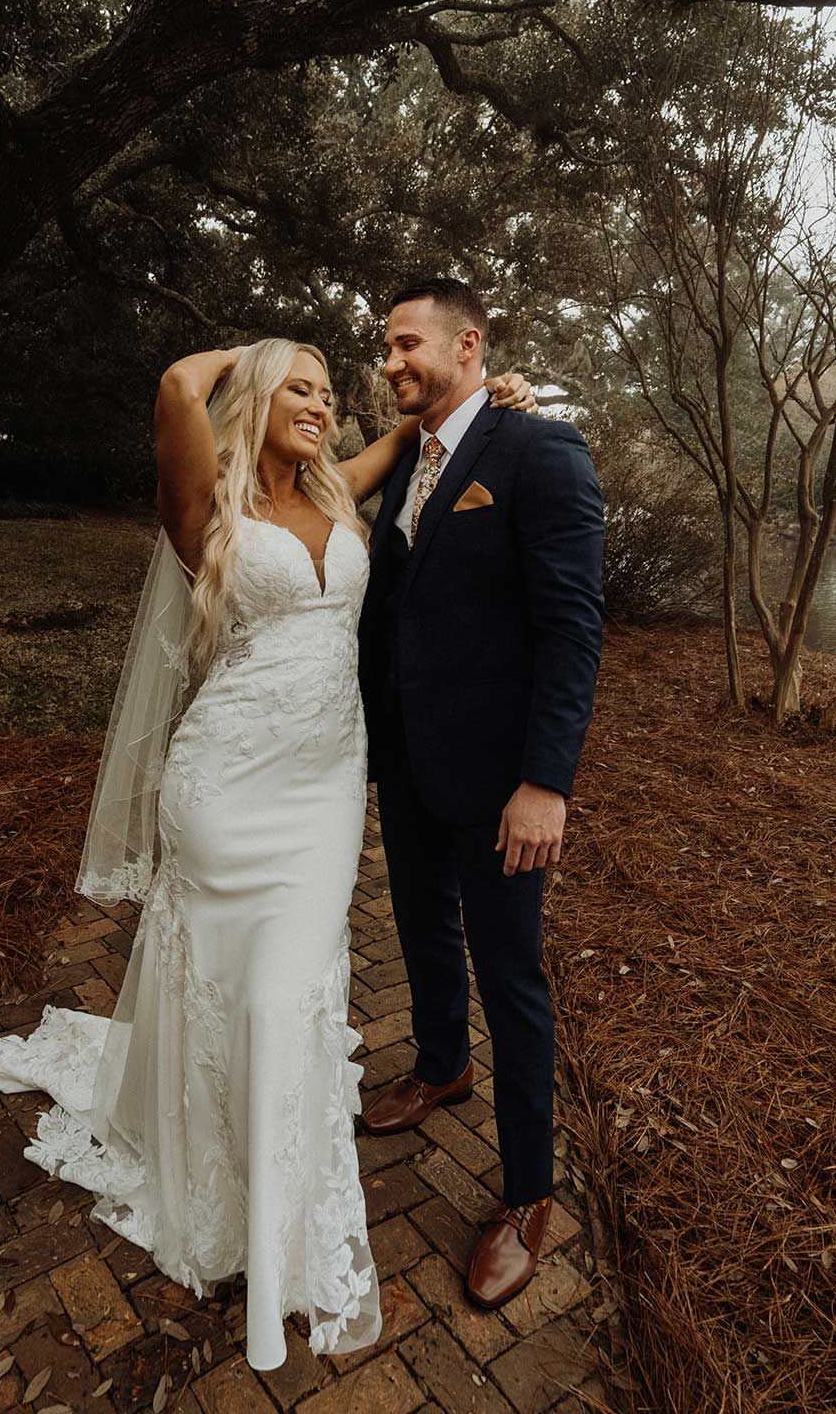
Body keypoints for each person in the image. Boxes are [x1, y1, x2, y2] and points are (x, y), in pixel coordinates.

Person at [0, 335, 536, 1370]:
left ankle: (281, 1203)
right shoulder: (205, 506)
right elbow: (178, 386)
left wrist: (473, 393)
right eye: (300, 389)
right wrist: (256, 351)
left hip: (322, 787)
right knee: (226, 983)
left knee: (286, 990)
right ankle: (216, 1169)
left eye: (329, 393)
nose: (321, 405)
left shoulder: (337, 490)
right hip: (223, 782)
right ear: (258, 396)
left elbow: (413, 429)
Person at [357, 278, 605, 1311]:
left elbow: (570, 627)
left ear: (467, 345)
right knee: (419, 923)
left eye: (406, 343)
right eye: (383, 347)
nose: (390, 362)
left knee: (512, 977)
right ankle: (440, 1064)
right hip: (407, 762)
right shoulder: (406, 460)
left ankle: (524, 1194)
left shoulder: (538, 451)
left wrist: (545, 781)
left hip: (504, 777)